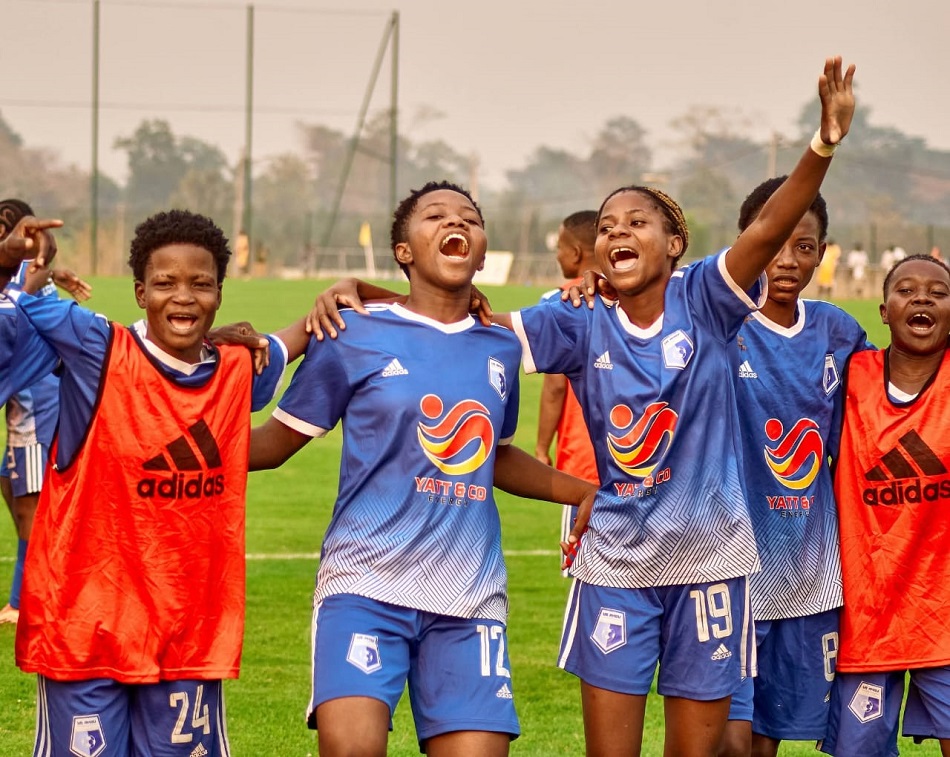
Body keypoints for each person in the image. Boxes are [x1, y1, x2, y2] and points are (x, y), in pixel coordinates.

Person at [311, 56, 856, 757]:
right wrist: (363, 290)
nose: (619, 231)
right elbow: (457, 325)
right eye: (607, 225)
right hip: (616, 567)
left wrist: (822, 145)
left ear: (676, 242)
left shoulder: (709, 299)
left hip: (712, 563)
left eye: (638, 220)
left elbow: (765, 231)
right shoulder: (576, 318)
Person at [249, 181, 597, 757]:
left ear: (481, 251)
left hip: (469, 597)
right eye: (434, 215)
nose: (453, 221)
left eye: (468, 217)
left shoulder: (499, 347)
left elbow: (494, 455)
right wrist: (170, 444)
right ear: (404, 251)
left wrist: (579, 489)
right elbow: (275, 444)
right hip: (363, 586)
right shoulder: (353, 332)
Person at [6, 209, 301, 756]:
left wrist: (350, 292)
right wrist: (8, 262)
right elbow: (17, 315)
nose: (184, 297)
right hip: (85, 632)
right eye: (165, 283)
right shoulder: (96, 348)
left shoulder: (236, 364)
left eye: (200, 284)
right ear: (140, 292)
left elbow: (296, 338)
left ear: (219, 293)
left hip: (187, 634)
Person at [715, 179, 869, 757]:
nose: (788, 259)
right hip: (725, 568)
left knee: (765, 741)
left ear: (823, 254)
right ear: (748, 240)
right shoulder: (715, 322)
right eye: (775, 240)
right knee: (724, 740)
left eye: (805, 246)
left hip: (808, 571)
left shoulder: (837, 331)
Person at [821, 254, 950, 757]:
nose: (922, 298)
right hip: (869, 613)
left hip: (942, 612)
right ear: (883, 311)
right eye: (907, 290)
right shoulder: (852, 376)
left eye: (938, 293)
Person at [535, 210, 601, 575]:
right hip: (639, 459)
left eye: (560, 248)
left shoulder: (562, 302)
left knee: (584, 573)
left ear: (575, 253)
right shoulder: (631, 298)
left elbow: (555, 385)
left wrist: (542, 449)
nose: (558, 256)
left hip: (583, 463)